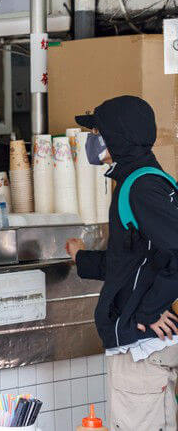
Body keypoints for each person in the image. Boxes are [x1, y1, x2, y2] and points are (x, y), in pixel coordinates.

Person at [66, 95, 178, 431]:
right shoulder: (145, 181)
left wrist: (145, 312)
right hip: (142, 342)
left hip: (141, 345)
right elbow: (132, 262)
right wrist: (81, 259)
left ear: (116, 136)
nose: (93, 140)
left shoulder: (140, 187)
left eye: (97, 132)